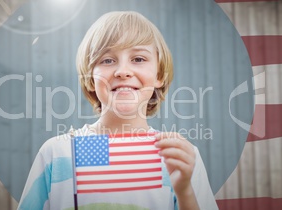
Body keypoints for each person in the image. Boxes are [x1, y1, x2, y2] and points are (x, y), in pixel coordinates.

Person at [18, 11, 218, 210]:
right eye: (107, 60)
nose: (123, 71)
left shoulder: (179, 157)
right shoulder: (57, 153)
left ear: (159, 75)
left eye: (138, 59)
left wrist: (185, 192)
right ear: (90, 79)